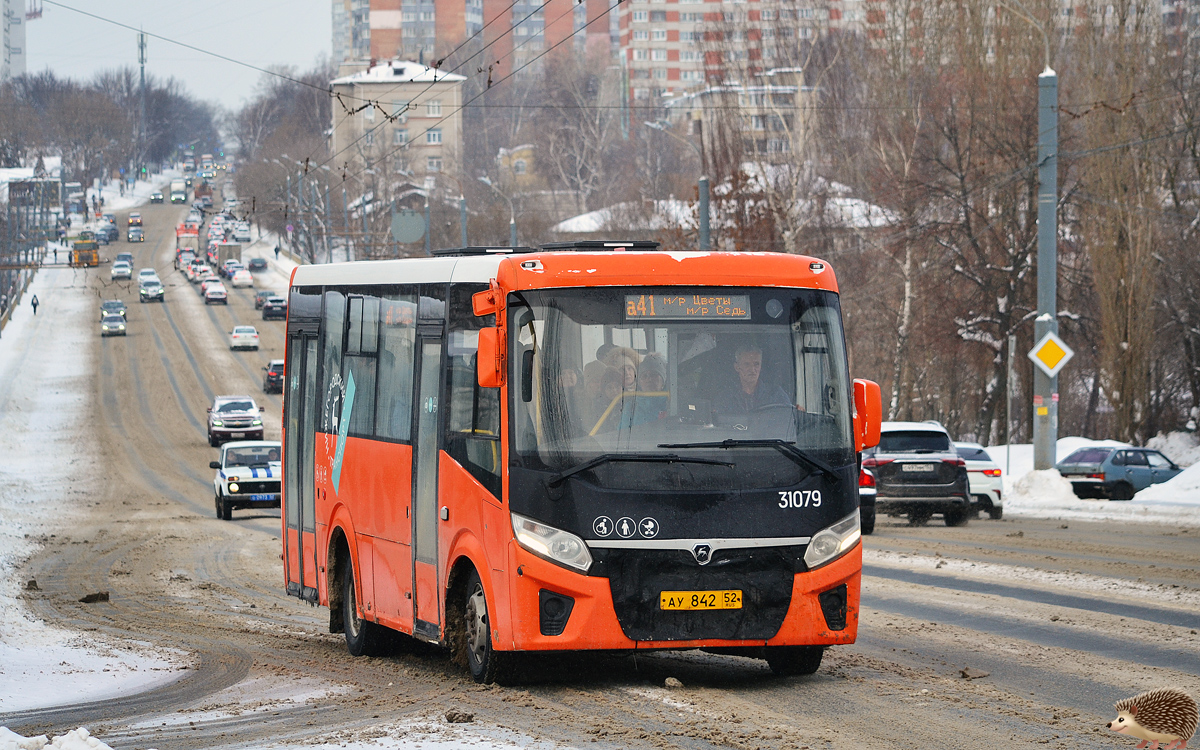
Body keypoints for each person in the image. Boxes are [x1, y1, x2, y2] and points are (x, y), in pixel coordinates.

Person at [714, 343, 789, 414]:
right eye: (747, 364)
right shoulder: (725, 398)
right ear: (737, 367)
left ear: (761, 366)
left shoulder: (776, 394)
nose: (752, 369)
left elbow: (788, 419)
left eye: (756, 364)